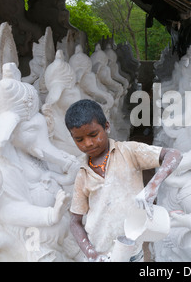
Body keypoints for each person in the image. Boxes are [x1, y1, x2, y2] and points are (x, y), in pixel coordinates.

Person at [65, 99, 182, 261]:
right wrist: (91, 253)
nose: (88, 143)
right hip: (101, 253)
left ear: (106, 126)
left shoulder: (129, 152)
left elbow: (173, 155)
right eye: (79, 139)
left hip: (132, 251)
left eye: (93, 135)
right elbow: (75, 222)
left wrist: (152, 186)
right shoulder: (82, 174)